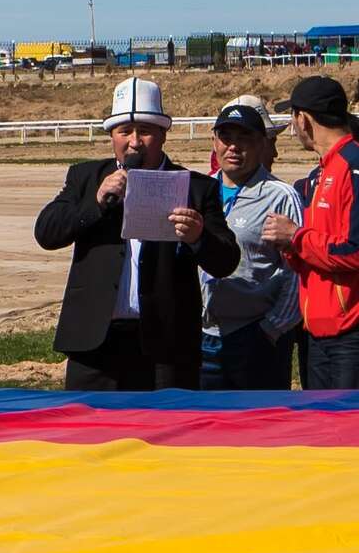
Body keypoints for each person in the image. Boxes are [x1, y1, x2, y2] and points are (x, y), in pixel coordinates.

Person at [35, 77, 239, 390]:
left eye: (144, 131)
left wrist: (199, 236)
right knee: (90, 432)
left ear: (162, 134)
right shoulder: (86, 178)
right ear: (111, 136)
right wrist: (96, 203)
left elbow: (226, 261)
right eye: (124, 132)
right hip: (95, 342)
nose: (134, 142)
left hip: (166, 346)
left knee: (165, 433)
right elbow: (46, 233)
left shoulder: (197, 187)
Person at [259, 76, 359, 389]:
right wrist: (291, 247)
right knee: (323, 433)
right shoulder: (323, 171)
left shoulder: (352, 165)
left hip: (349, 334)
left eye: (293, 117)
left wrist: (297, 237)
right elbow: (323, 248)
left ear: (303, 119)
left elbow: (354, 251)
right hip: (318, 331)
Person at [200, 102, 303, 389]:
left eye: (244, 138)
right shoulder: (200, 190)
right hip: (204, 337)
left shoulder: (281, 196)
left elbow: (296, 272)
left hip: (254, 335)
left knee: (259, 429)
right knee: (205, 429)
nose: (234, 147)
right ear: (214, 143)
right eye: (226, 138)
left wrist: (271, 329)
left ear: (262, 145)